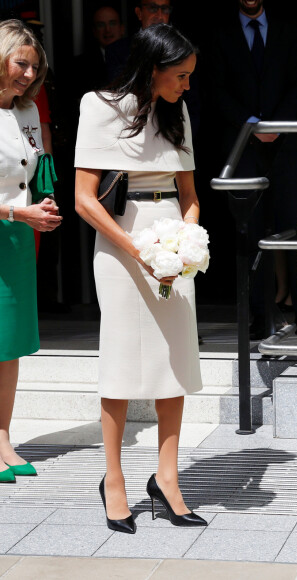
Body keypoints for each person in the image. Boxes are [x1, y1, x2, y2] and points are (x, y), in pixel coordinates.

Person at [75, 23, 206, 533]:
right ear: (152, 69)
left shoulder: (180, 113)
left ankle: (168, 479)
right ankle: (113, 481)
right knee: (122, 360)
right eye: (180, 76)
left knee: (173, 359)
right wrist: (140, 250)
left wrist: (185, 243)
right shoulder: (99, 105)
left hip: (172, 239)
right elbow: (85, 199)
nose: (187, 85)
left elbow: (191, 194)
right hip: (120, 239)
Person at [206, 0, 297, 338]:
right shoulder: (219, 33)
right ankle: (259, 316)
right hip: (241, 145)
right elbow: (216, 88)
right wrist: (251, 123)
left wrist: (276, 125)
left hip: (287, 145)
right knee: (249, 233)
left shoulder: (286, 30)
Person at [0, 19, 62, 484]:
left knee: (11, 344)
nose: (27, 74)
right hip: (10, 224)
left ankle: (3, 439)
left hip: (17, 237)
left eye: (34, 67)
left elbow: (34, 169)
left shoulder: (26, 111)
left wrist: (40, 203)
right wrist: (18, 214)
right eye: (21, 62)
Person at [105, 0, 200, 139]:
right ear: (139, 13)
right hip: (129, 134)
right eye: (153, 8)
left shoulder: (184, 51)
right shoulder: (118, 51)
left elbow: (193, 104)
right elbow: (118, 96)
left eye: (165, 9)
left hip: (173, 134)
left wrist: (181, 138)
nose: (159, 14)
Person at [76, 5, 125, 98]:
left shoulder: (136, 58)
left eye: (112, 23)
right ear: (94, 31)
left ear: (122, 28)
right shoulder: (80, 65)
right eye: (101, 25)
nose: (107, 30)